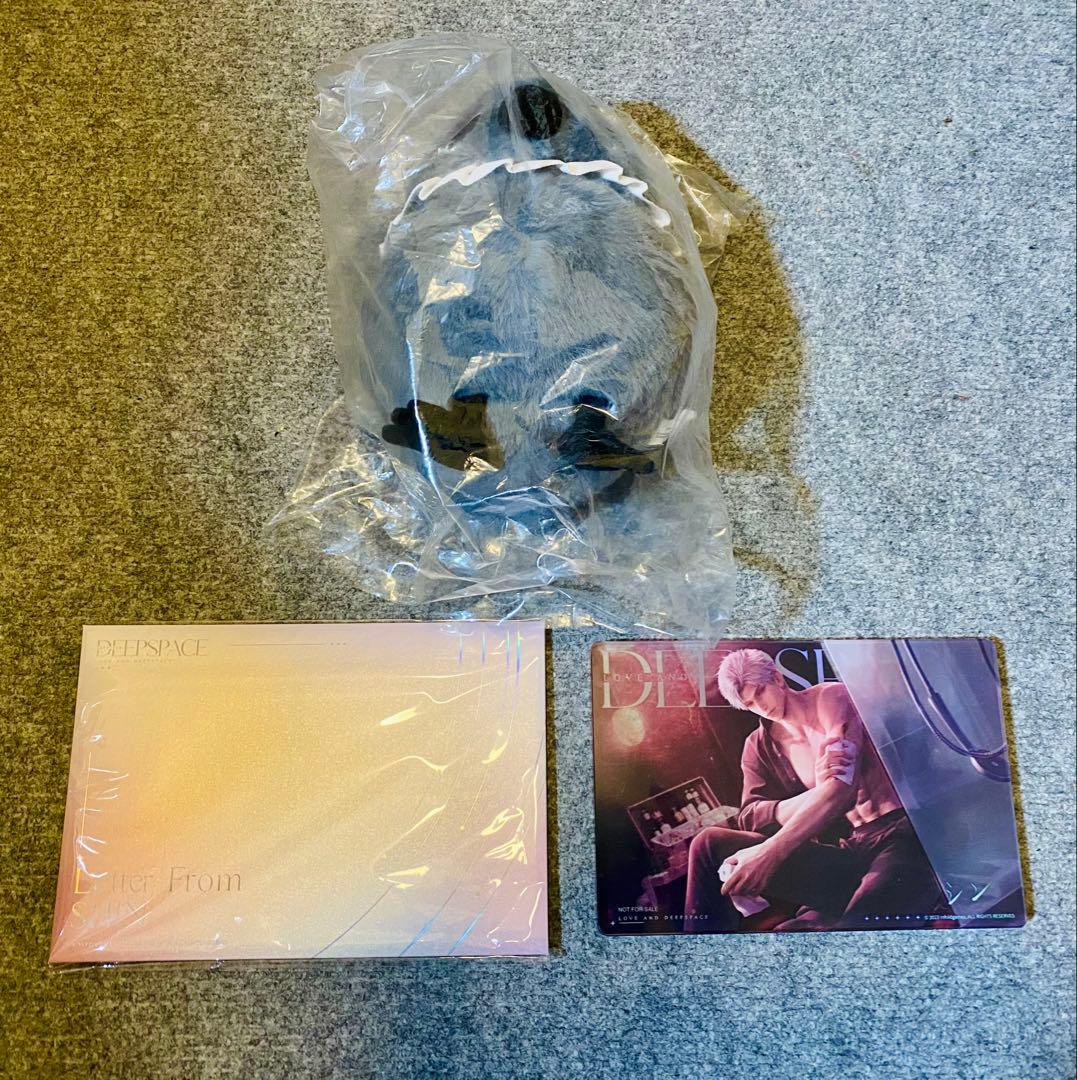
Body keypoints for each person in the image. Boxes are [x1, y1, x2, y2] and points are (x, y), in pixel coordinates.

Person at [683, 648, 950, 931]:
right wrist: (814, 794)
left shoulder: (830, 699)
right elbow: (749, 817)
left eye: (760, 692)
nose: (760, 706)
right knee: (708, 843)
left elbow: (842, 790)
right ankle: (694, 948)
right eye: (749, 704)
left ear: (777, 678)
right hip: (854, 848)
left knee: (852, 930)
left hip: (902, 837)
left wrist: (769, 853)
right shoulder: (758, 745)